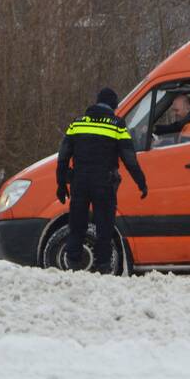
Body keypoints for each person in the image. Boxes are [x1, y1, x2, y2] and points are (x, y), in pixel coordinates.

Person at [56, 87, 148, 274]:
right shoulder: (117, 125)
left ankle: (72, 264)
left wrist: (61, 183)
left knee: (77, 224)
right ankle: (103, 267)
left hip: (79, 182)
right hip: (104, 184)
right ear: (113, 105)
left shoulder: (77, 123)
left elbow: (63, 156)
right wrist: (141, 182)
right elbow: (129, 158)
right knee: (104, 226)